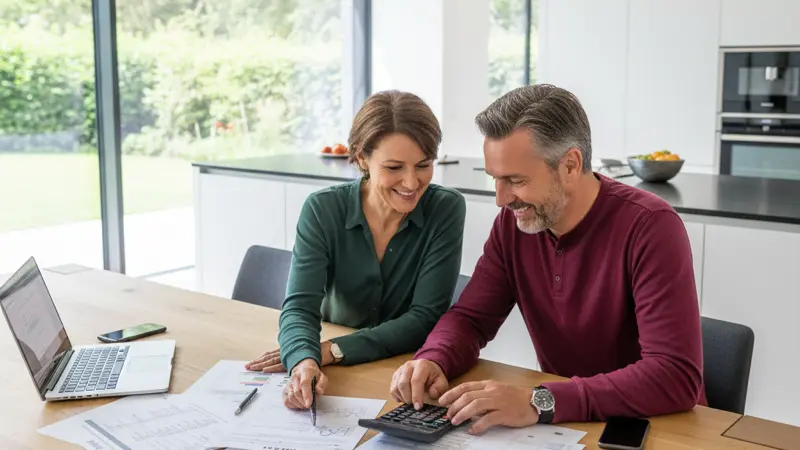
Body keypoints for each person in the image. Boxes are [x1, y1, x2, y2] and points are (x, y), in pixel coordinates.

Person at [389, 84, 705, 434]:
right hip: (564, 425)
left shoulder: (651, 226)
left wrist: (539, 400)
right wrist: (434, 358)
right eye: (495, 179)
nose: (501, 199)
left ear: (570, 165)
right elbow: (471, 319)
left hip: (656, 428)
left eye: (515, 180)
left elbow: (675, 376)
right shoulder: (513, 225)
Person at [246, 90, 466, 410]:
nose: (411, 182)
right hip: (337, 375)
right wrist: (304, 361)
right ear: (362, 158)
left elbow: (425, 318)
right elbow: (300, 307)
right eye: (394, 167)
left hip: (406, 376)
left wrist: (331, 350)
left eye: (423, 165)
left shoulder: (446, 208)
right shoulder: (323, 209)